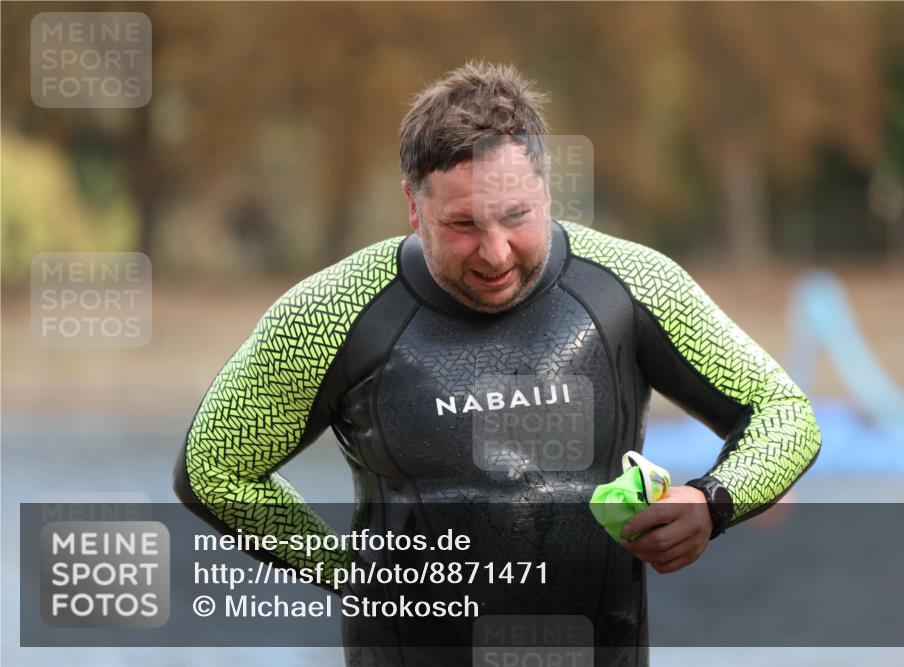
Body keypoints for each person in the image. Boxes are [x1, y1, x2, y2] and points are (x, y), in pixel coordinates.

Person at [174, 61, 821, 666]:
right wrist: (346, 570)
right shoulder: (332, 312)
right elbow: (214, 468)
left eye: (516, 216)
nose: (494, 252)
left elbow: (785, 414)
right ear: (412, 203)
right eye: (462, 224)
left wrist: (712, 501)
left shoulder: (632, 284)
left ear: (547, 188)